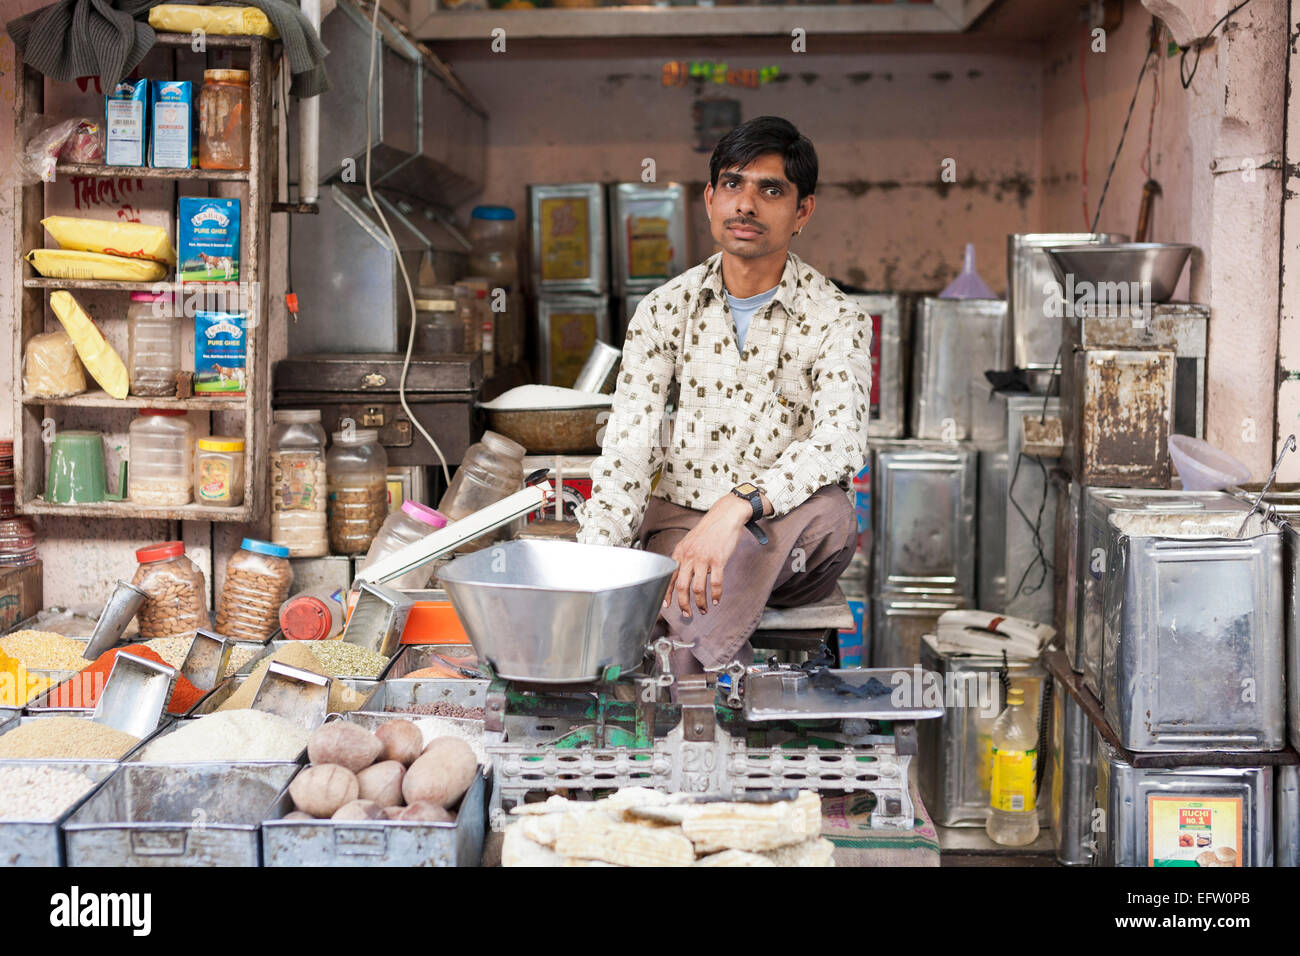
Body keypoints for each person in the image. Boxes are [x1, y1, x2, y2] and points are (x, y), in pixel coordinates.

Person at [577, 115, 871, 680]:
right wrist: (594, 567)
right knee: (694, 555)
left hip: (787, 534)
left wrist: (735, 509)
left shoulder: (838, 318)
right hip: (681, 525)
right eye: (733, 185)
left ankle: (668, 669)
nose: (747, 205)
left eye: (771, 189)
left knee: (826, 514)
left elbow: (839, 443)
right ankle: (705, 685)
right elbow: (630, 448)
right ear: (710, 199)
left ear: (802, 211)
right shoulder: (666, 308)